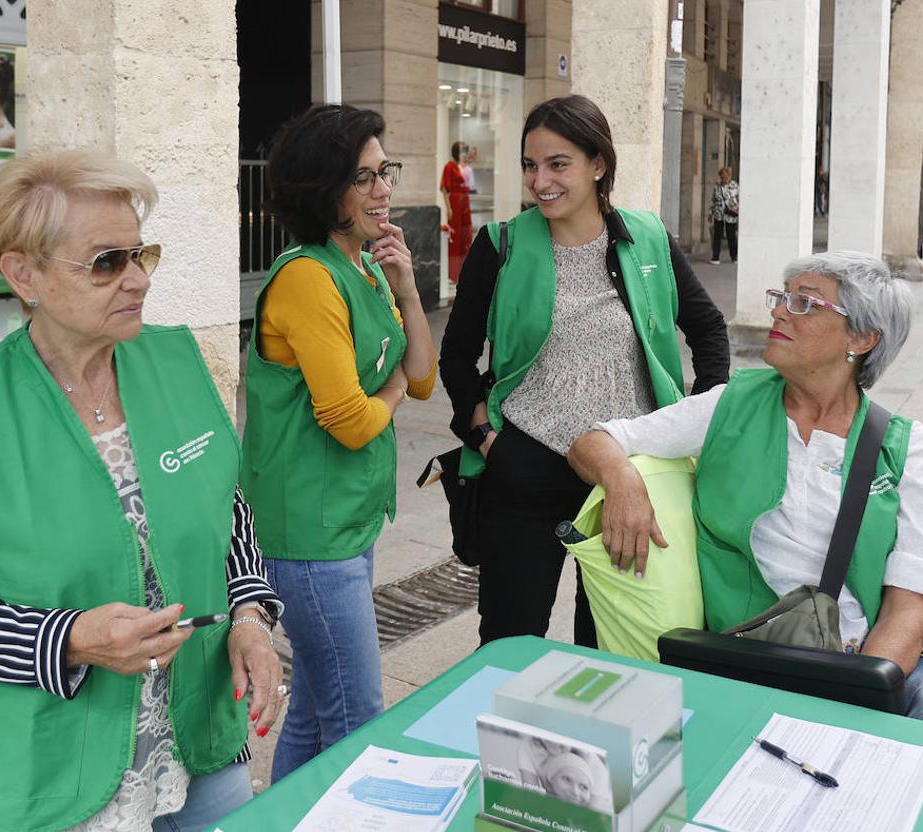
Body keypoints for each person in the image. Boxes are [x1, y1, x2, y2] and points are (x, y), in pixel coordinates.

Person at [0, 149, 285, 832]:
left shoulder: (179, 360)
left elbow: (228, 509)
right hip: (50, 769)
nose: (136, 278)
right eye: (106, 262)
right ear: (24, 273)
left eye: (142, 254)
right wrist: (68, 638)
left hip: (197, 740)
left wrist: (250, 614)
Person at [568, 251, 923, 719]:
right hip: (748, 660)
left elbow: (907, 608)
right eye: (782, 297)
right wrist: (623, 480)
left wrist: (861, 701)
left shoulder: (905, 449)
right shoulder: (729, 405)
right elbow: (594, 441)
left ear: (861, 337)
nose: (777, 311)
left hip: (864, 668)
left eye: (805, 304)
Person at [439, 94, 730, 648]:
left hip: (628, 476)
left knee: (613, 650)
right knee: (508, 643)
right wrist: (485, 438)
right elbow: (456, 355)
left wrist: (699, 416)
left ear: (598, 165)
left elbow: (708, 329)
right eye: (530, 164)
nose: (540, 180)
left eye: (558, 164)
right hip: (525, 470)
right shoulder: (499, 246)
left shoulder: (648, 240)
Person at [241, 104, 438, 781]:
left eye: (385, 173)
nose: (384, 191)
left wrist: (409, 290)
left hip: (347, 517)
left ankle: (282, 824)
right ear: (325, 190)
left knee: (317, 710)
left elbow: (420, 379)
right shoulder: (306, 279)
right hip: (308, 532)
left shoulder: (366, 266)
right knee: (358, 716)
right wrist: (380, 396)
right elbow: (352, 419)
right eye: (364, 178)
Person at [442, 141, 474, 282]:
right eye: (462, 152)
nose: (464, 155)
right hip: (455, 202)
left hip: (465, 202)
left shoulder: (464, 167)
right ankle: (453, 273)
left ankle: (464, 271)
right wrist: (448, 208)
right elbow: (444, 189)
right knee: (455, 239)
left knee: (466, 235)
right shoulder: (449, 167)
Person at [709, 166, 739, 265]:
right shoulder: (717, 187)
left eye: (725, 177)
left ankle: (734, 256)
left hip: (730, 215)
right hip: (719, 214)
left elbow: (741, 199)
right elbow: (713, 201)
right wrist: (710, 214)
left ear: (729, 176)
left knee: (731, 236)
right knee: (717, 236)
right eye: (722, 177)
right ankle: (715, 257)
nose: (724, 179)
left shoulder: (735, 186)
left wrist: (737, 207)